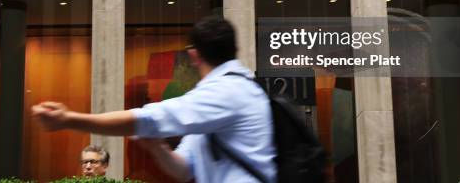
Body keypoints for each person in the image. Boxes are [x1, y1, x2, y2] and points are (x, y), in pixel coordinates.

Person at [32, 16, 277, 183]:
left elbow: (149, 119)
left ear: (193, 54)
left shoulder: (227, 91)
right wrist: (157, 148)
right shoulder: (221, 98)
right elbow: (184, 170)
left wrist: (69, 119)